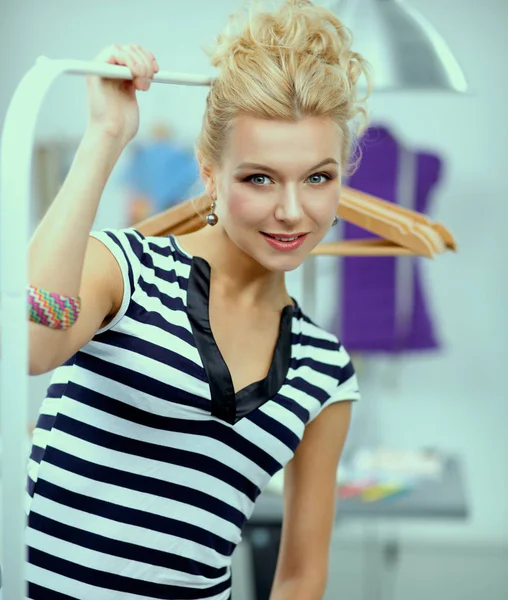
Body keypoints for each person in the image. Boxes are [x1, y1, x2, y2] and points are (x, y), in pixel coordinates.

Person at [24, 0, 371, 598]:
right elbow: (28, 343)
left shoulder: (325, 371)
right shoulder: (125, 271)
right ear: (210, 173)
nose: (292, 210)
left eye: (318, 177)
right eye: (258, 178)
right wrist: (106, 135)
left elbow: (300, 576)